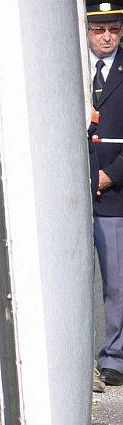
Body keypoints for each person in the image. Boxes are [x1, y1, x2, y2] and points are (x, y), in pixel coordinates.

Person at [86, 1, 123, 386]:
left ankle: (114, 356)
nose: (107, 36)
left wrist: (111, 175)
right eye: (99, 29)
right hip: (71, 193)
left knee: (115, 281)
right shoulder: (74, 69)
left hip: (113, 194)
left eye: (113, 28)